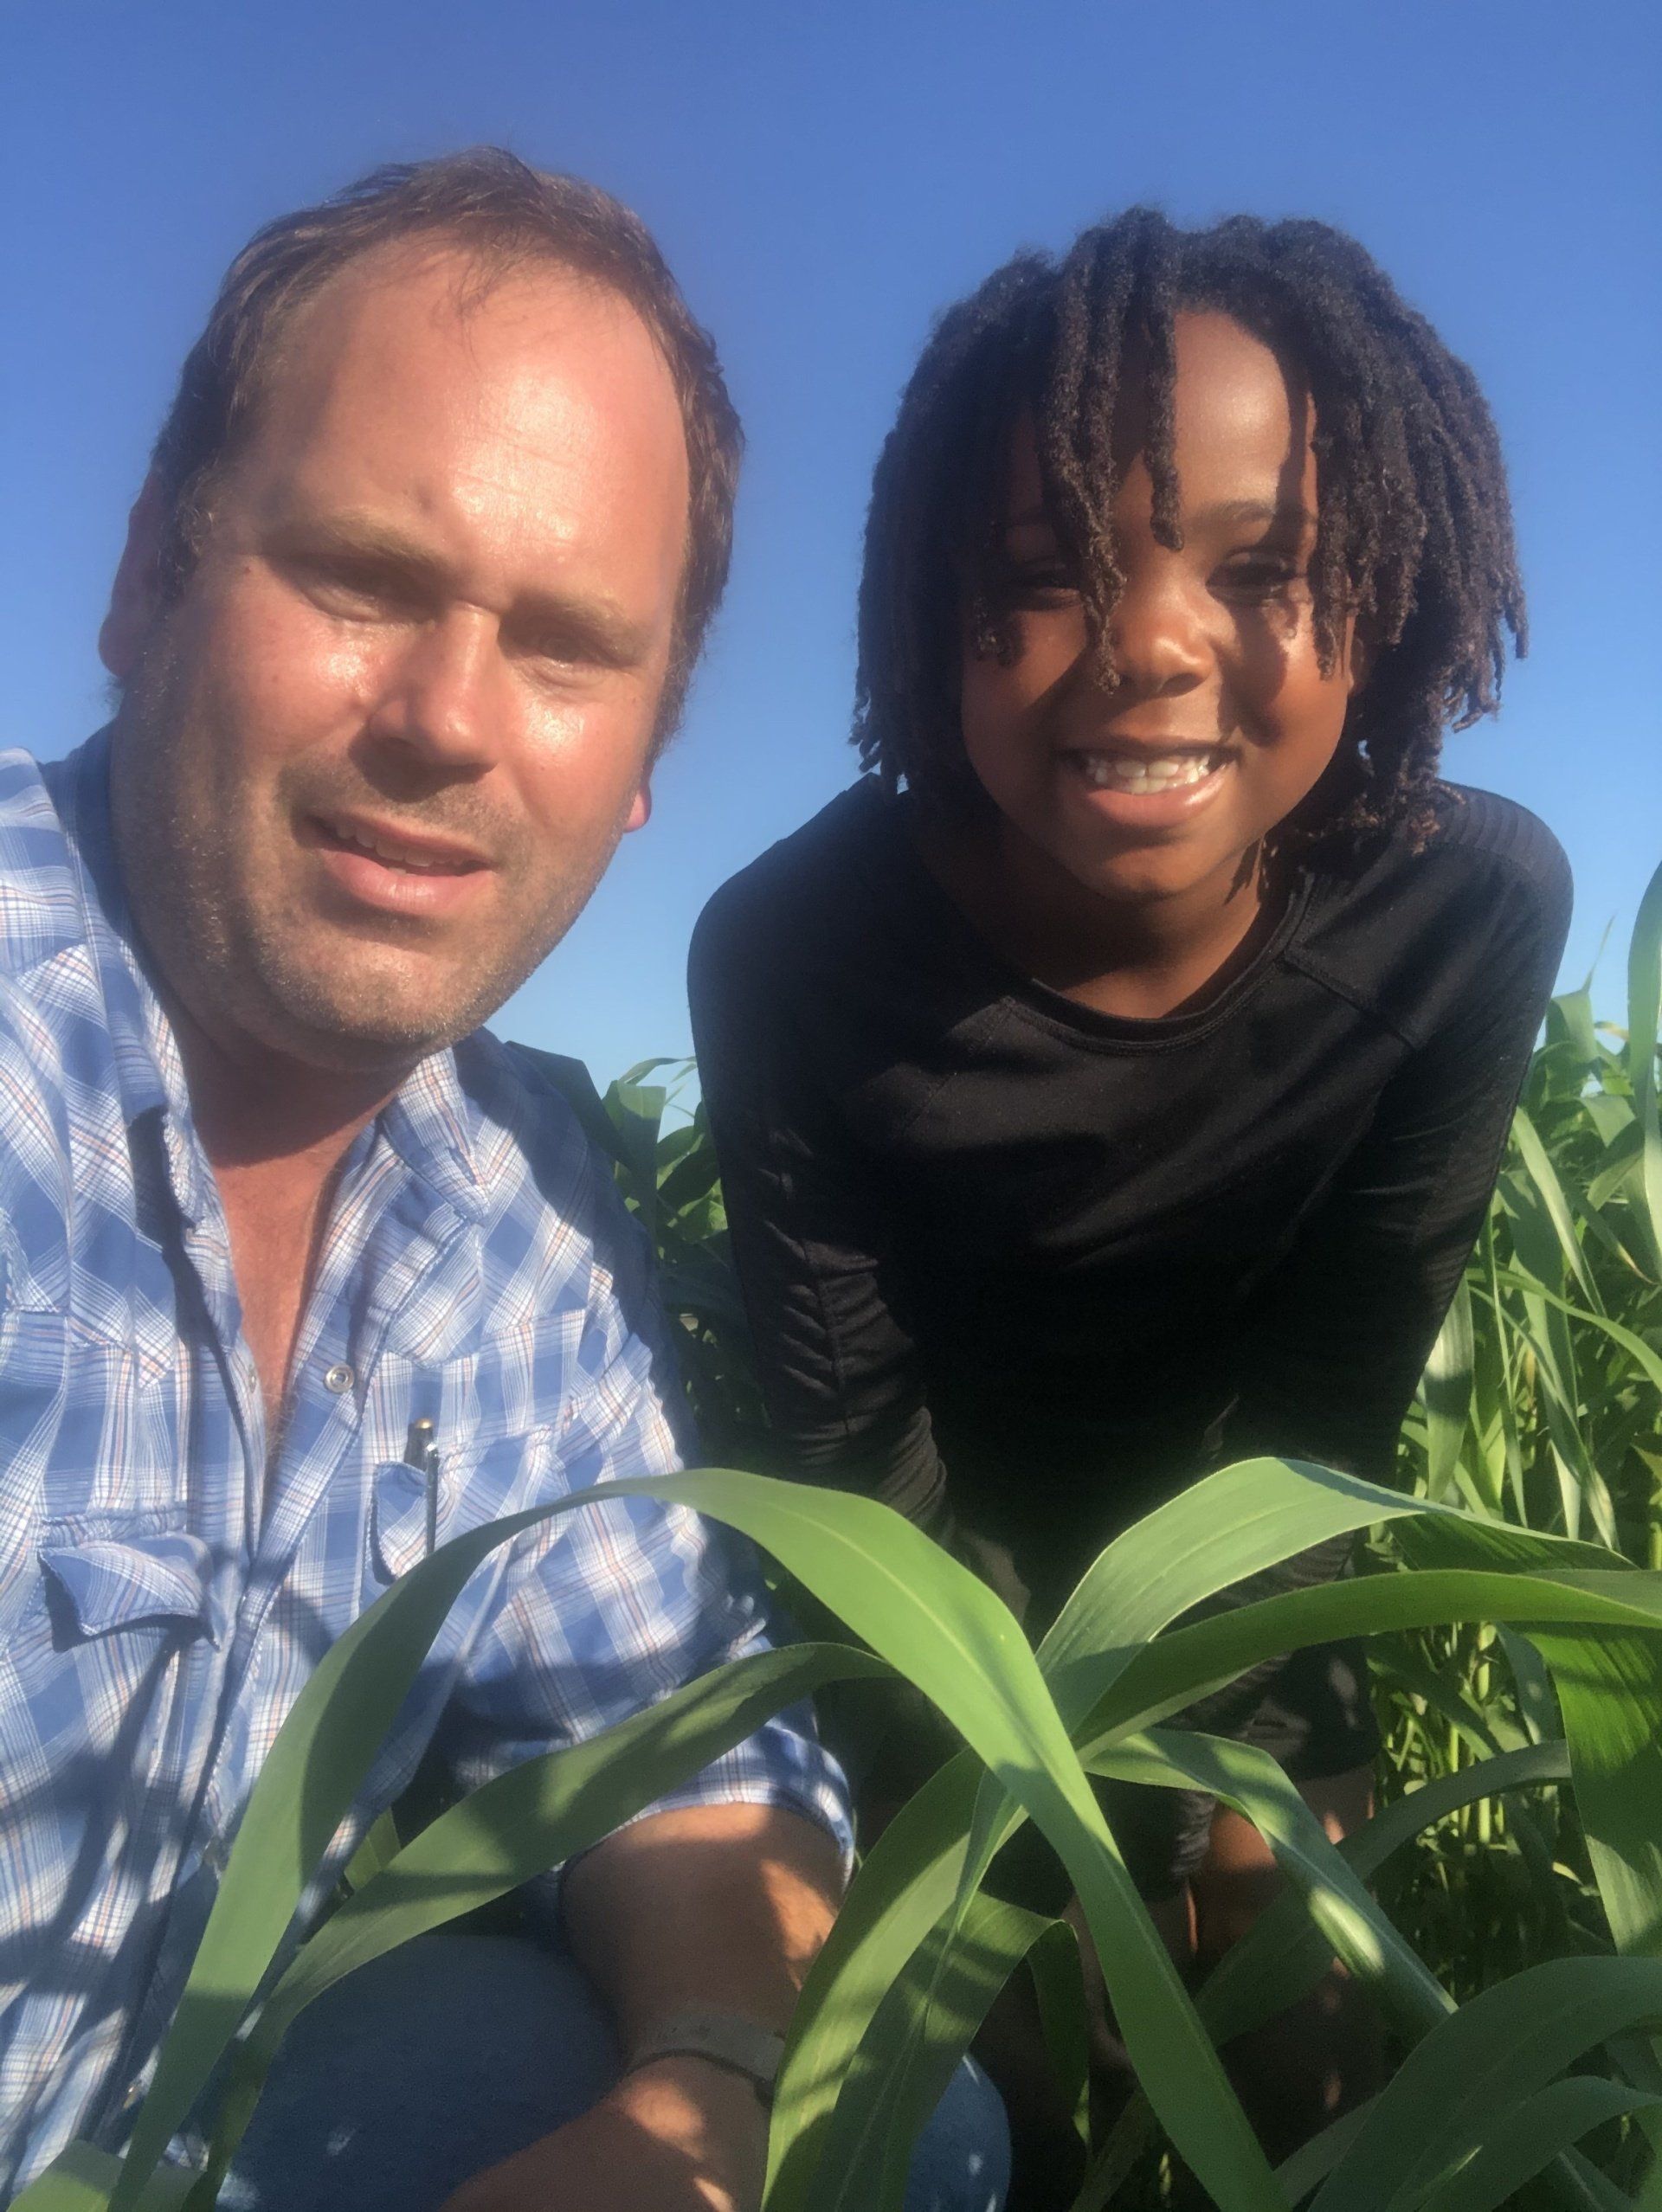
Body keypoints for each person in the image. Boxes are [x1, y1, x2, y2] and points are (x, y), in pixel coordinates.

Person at [0, 151, 1008, 2212]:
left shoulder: (509, 1203)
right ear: (146, 578)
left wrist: (704, 2098)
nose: (449, 722)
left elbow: (684, 1748)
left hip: (172, 2130)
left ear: (643, 761)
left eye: (564, 647)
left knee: (909, 2139)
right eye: (361, 578)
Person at [690, 209, 1572, 2196]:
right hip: (934, 1565)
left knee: (1294, 2023)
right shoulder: (796, 956)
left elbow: (1334, 1399)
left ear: (1391, 592)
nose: (1156, 640)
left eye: (1263, 568)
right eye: (1039, 576)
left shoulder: (1465, 911)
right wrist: (1041, 1775)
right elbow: (851, 1440)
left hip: (1252, 1514)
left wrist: (1218, 1783)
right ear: (928, 623)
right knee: (1010, 2071)